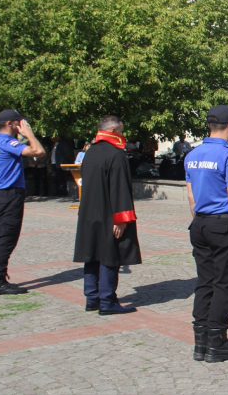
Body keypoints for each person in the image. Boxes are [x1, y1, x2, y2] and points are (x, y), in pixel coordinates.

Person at [184, 105, 228, 363]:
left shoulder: (193, 154)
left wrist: (200, 222)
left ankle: (200, 343)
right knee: (225, 283)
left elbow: (191, 195)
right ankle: (217, 344)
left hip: (200, 222)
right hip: (224, 225)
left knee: (205, 282)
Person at [73, 115, 140, 315]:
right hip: (109, 213)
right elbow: (119, 189)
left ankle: (92, 297)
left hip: (89, 213)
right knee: (110, 255)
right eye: (120, 131)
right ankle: (107, 300)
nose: (122, 135)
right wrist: (121, 219)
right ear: (112, 131)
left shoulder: (90, 152)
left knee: (92, 255)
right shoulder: (116, 155)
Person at [0, 110, 45, 295]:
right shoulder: (8, 142)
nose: (23, 125)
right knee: (5, 238)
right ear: (10, 123)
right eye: (20, 122)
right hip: (9, 195)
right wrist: (29, 135)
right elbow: (38, 151)